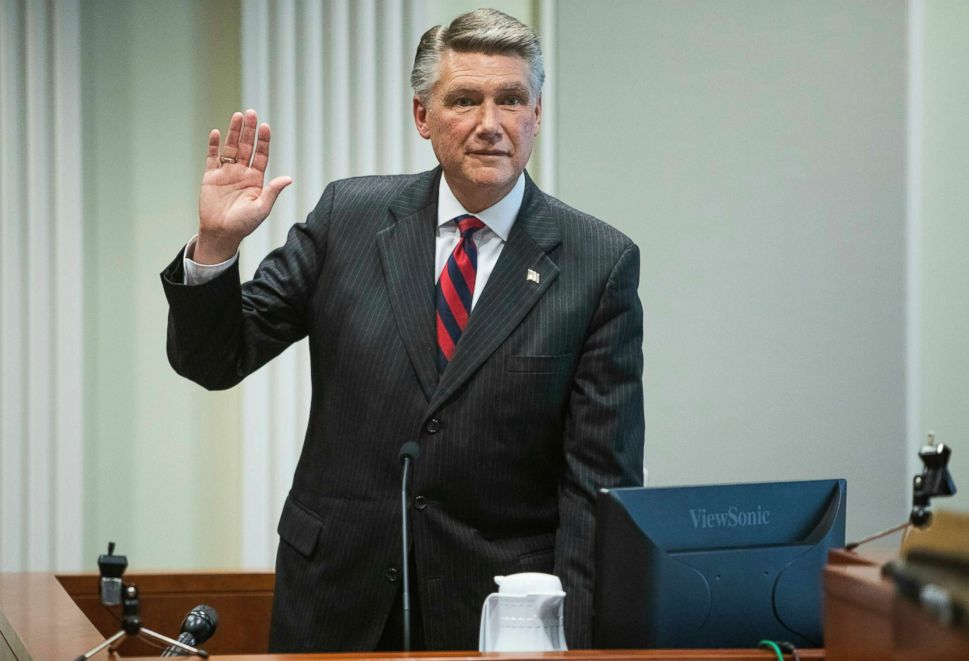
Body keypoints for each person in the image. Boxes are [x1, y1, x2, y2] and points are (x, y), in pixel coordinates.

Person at [161, 8, 644, 653]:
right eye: (465, 100)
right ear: (423, 117)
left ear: (537, 115)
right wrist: (217, 245)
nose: (490, 125)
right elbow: (214, 359)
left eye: (511, 100)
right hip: (334, 598)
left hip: (496, 618)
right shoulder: (348, 219)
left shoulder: (597, 261)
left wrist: (580, 645)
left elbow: (598, 487)